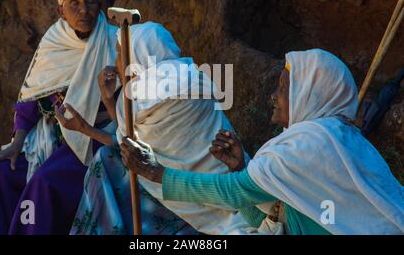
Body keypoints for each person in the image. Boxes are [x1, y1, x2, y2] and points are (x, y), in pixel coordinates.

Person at [122, 49, 404, 235]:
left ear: (308, 95)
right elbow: (275, 219)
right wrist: (239, 168)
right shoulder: (331, 138)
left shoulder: (312, 143)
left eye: (283, 88)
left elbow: (233, 193)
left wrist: (156, 173)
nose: (273, 96)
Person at [58, 22, 255, 234]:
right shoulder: (194, 75)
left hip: (193, 196)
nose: (115, 63)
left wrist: (85, 126)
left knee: (106, 162)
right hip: (242, 187)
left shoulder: (136, 98)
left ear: (135, 58)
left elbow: (126, 146)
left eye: (119, 54)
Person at [0, 0, 119, 235]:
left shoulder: (115, 42)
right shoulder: (53, 42)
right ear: (60, 11)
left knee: (44, 182)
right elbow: (30, 101)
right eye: (73, 4)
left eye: (89, 2)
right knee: (1, 174)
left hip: (92, 140)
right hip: (49, 138)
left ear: (100, 5)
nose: (83, 10)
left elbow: (127, 111)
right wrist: (17, 143)